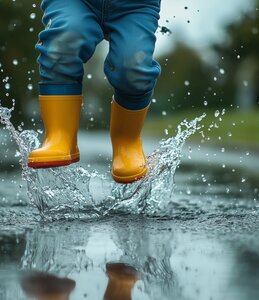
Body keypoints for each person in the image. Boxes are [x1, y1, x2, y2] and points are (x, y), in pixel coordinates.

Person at [27, 0, 162, 183]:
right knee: (62, 43)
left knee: (133, 67)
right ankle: (59, 136)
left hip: (136, 5)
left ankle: (127, 143)